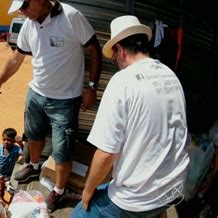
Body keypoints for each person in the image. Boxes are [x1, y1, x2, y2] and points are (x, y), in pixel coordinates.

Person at [0, 0, 102, 212]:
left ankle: (58, 191)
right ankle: (33, 164)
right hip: (36, 93)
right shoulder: (29, 24)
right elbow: (16, 58)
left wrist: (91, 86)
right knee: (33, 135)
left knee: (63, 149)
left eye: (24, 6)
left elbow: (94, 48)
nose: (22, 12)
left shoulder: (70, 17)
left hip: (65, 100)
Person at [71, 15, 190, 217]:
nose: (115, 60)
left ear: (120, 49)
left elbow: (106, 153)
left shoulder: (122, 81)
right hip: (174, 187)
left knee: (81, 212)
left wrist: (88, 190)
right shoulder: (170, 75)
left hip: (138, 199)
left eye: (114, 54)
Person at [0, 128, 23, 200]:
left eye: (9, 140)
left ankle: (11, 201)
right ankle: (1, 196)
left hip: (10, 175)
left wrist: (21, 144)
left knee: (13, 192)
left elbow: (25, 154)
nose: (6, 142)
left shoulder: (17, 149)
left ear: (14, 140)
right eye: (4, 139)